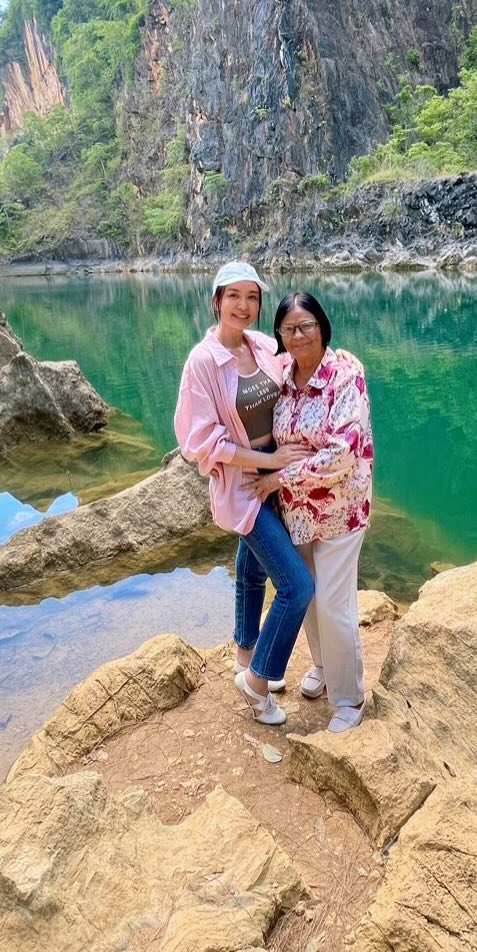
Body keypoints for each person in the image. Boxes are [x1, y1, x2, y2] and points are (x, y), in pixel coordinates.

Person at [174, 261, 313, 725]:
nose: (244, 305)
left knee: (252, 571)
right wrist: (270, 461)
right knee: (297, 586)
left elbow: (299, 371)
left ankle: (244, 653)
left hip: (277, 476)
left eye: (252, 297)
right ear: (216, 301)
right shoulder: (202, 362)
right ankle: (256, 683)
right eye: (233, 296)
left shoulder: (262, 346)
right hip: (245, 482)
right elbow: (200, 441)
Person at [252, 292, 373, 733]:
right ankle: (322, 667)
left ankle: (349, 699)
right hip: (298, 513)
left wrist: (280, 477)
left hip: (341, 510)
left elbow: (343, 453)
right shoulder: (282, 377)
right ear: (279, 335)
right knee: (309, 598)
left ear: (322, 327)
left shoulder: (346, 375)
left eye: (306, 326)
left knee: (335, 605)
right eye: (288, 328)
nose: (298, 335)